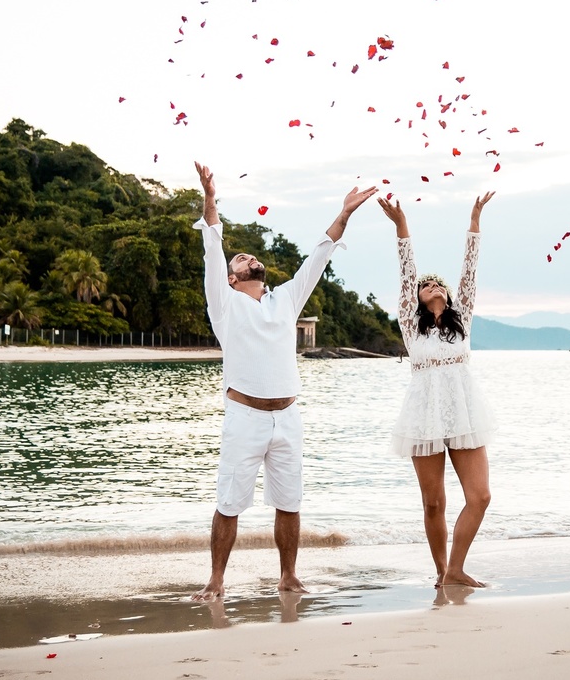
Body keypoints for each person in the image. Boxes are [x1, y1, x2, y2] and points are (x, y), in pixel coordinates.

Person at [191, 161, 377, 601]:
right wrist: (211, 200)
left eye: (251, 256)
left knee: (289, 502)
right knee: (229, 502)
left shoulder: (286, 299)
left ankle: (289, 576)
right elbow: (212, 247)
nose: (250, 258)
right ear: (232, 278)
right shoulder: (225, 304)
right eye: (241, 259)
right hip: (245, 416)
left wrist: (344, 213)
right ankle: (216, 580)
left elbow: (319, 256)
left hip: (288, 417)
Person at [377, 191, 497, 588]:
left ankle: (455, 570)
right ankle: (442, 572)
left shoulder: (463, 320)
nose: (432, 285)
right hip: (423, 415)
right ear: (416, 297)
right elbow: (406, 270)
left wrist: (475, 220)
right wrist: (401, 226)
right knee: (433, 502)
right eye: (425, 285)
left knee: (480, 496)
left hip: (464, 412)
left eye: (437, 283)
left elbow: (470, 268)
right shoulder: (411, 327)